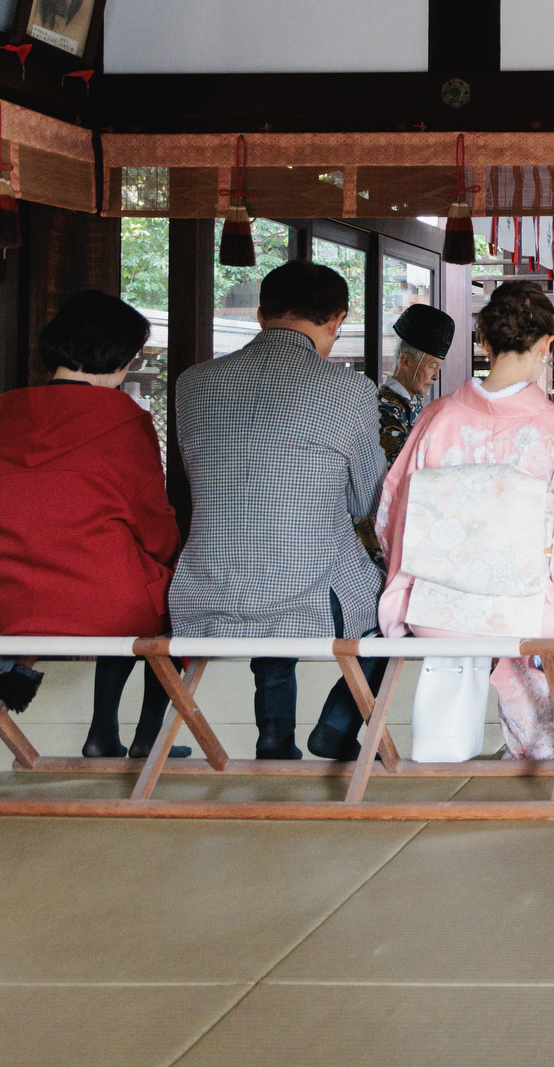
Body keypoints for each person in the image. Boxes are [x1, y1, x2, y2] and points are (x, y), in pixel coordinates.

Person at [168, 261, 388, 762]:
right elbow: (369, 501)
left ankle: (274, 734)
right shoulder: (350, 389)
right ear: (336, 320)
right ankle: (337, 724)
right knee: (394, 609)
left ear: (261, 314)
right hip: (308, 590)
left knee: (274, 566)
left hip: (208, 584)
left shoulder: (193, 383)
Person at [376, 281, 554, 759]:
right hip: (526, 612)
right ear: (547, 344)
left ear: (483, 343)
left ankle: (443, 746)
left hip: (437, 611)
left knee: (460, 635)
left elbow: (393, 515)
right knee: (549, 616)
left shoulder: (436, 419)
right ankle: (543, 751)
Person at [0, 290, 182, 759]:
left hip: (17, 596)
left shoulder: (5, 417)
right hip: (103, 602)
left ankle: (104, 733)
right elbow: (152, 520)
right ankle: (144, 738)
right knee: (171, 597)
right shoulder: (123, 420)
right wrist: (173, 559)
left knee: (137, 585)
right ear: (118, 356)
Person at [378, 304, 454, 466]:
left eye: (439, 368)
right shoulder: (380, 408)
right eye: (432, 366)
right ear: (406, 361)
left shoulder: (417, 404)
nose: (436, 376)